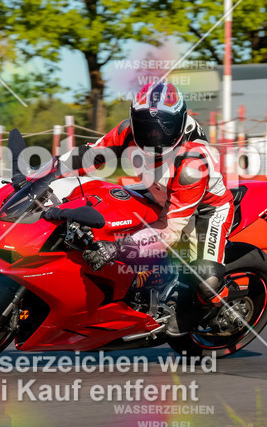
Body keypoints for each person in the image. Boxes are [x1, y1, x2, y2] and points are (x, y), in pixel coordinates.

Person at [69, 82, 235, 335]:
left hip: (203, 209)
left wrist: (118, 247)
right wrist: (39, 175)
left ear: (180, 121)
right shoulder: (127, 132)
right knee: (99, 202)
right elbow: (89, 156)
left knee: (206, 279)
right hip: (159, 192)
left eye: (164, 127)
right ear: (134, 121)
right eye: (147, 127)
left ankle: (217, 302)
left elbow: (170, 229)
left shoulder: (193, 163)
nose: (155, 135)